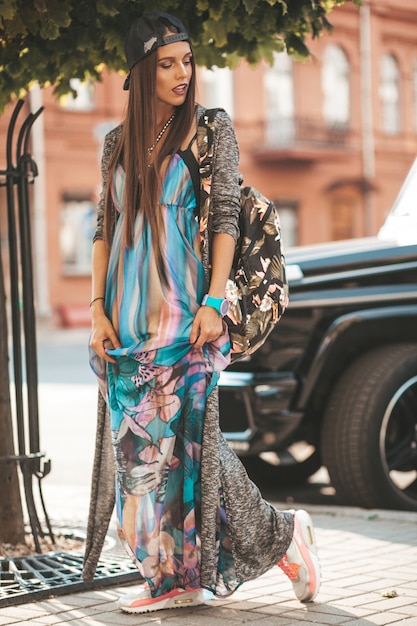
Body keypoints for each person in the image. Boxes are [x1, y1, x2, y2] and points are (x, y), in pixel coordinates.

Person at [87, 11, 321, 615]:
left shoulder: (209, 130)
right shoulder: (115, 145)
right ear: (140, 72)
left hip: (187, 317)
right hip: (126, 323)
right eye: (167, 63)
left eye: (187, 61)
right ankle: (172, 577)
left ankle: (270, 540)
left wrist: (216, 300)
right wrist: (96, 311)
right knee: (141, 456)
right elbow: (103, 233)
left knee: (194, 449)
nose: (182, 73)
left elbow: (224, 219)